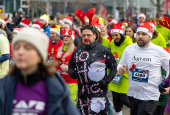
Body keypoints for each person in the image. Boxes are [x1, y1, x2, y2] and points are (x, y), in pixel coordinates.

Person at [0, 27, 80, 115]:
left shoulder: (55, 86)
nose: (20, 52)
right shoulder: (6, 84)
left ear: (40, 54)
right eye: (17, 48)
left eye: (27, 48)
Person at [118, 22, 170, 115]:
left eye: (144, 34)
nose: (140, 36)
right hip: (133, 93)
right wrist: (120, 68)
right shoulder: (129, 49)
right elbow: (121, 63)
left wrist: (166, 82)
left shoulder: (158, 51)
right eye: (138, 34)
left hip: (149, 95)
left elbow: (169, 67)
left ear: (150, 36)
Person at [68, 24, 117, 114]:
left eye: (89, 35)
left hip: (98, 94)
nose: (86, 38)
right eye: (84, 35)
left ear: (95, 35)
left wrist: (106, 81)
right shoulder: (78, 51)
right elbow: (71, 66)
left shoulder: (104, 50)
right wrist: (72, 73)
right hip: (82, 94)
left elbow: (114, 68)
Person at [108, 23, 133, 115]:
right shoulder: (111, 42)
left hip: (125, 75)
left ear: (121, 34)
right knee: (115, 99)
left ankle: (137, 110)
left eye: (116, 35)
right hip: (115, 74)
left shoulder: (129, 44)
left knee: (124, 99)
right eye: (113, 35)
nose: (114, 37)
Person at [55, 28, 78, 105]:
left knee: (71, 103)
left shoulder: (76, 50)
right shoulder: (59, 49)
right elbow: (54, 66)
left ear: (72, 38)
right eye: (64, 36)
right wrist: (57, 58)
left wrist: (69, 68)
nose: (65, 38)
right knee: (61, 103)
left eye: (68, 36)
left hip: (72, 81)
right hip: (61, 80)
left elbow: (79, 66)